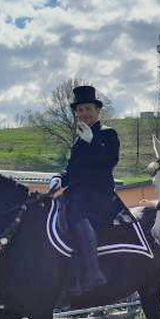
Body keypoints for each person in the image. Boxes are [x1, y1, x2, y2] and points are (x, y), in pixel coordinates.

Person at [48, 85, 119, 294]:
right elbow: (71, 172)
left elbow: (109, 163)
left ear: (97, 111)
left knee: (74, 211)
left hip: (100, 195)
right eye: (80, 110)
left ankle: (92, 273)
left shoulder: (108, 134)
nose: (84, 113)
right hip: (76, 194)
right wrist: (57, 179)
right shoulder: (78, 141)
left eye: (88, 108)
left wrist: (92, 142)